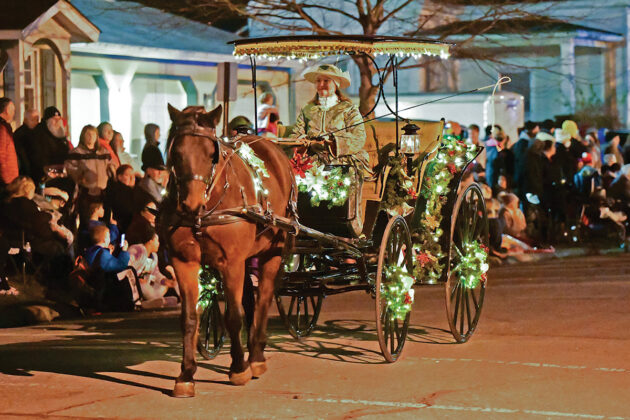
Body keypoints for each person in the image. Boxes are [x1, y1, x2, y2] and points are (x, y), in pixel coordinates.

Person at [291, 63, 368, 164]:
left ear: (336, 84)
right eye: (318, 81)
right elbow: (296, 133)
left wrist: (333, 142)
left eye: (326, 81)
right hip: (312, 161)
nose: (321, 85)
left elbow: (359, 137)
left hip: (342, 161)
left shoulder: (349, 109)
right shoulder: (307, 110)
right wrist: (302, 140)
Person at [121, 229, 179, 308]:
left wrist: (165, 281)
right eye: (157, 241)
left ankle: (152, 302)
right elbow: (126, 266)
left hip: (146, 285)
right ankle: (149, 303)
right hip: (132, 285)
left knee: (163, 286)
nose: (158, 244)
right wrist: (136, 279)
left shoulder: (154, 256)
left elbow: (155, 273)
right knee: (144, 286)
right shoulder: (137, 250)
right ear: (150, 241)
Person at [84, 224, 132, 311]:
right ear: (105, 238)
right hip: (102, 293)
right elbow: (120, 265)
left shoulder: (89, 251)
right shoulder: (103, 254)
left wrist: (108, 253)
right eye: (109, 236)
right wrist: (124, 251)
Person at [65, 124, 116, 195]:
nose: (91, 137)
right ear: (83, 136)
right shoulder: (76, 153)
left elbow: (111, 166)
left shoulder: (104, 152)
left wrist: (112, 170)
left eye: (93, 134)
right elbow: (70, 169)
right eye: (88, 134)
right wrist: (82, 176)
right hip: (84, 191)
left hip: (103, 191)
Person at [30, 106, 72, 184]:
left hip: (61, 173)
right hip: (45, 175)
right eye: (54, 119)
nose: (57, 122)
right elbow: (37, 156)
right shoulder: (38, 133)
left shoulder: (60, 133)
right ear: (47, 120)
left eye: (58, 119)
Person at [105, 164, 136, 233]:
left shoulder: (134, 191)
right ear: (119, 177)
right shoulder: (117, 192)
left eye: (133, 175)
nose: (132, 178)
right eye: (127, 175)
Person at [12, 108, 39, 178]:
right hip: (26, 172)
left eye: (37, 120)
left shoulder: (37, 132)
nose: (36, 122)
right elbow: (22, 156)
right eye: (33, 120)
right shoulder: (20, 134)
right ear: (25, 120)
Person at [0, 97, 18, 188]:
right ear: (7, 110)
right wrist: (7, 179)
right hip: (6, 180)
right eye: (13, 110)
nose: (14, 113)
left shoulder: (5, 127)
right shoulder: (2, 129)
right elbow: (1, 155)